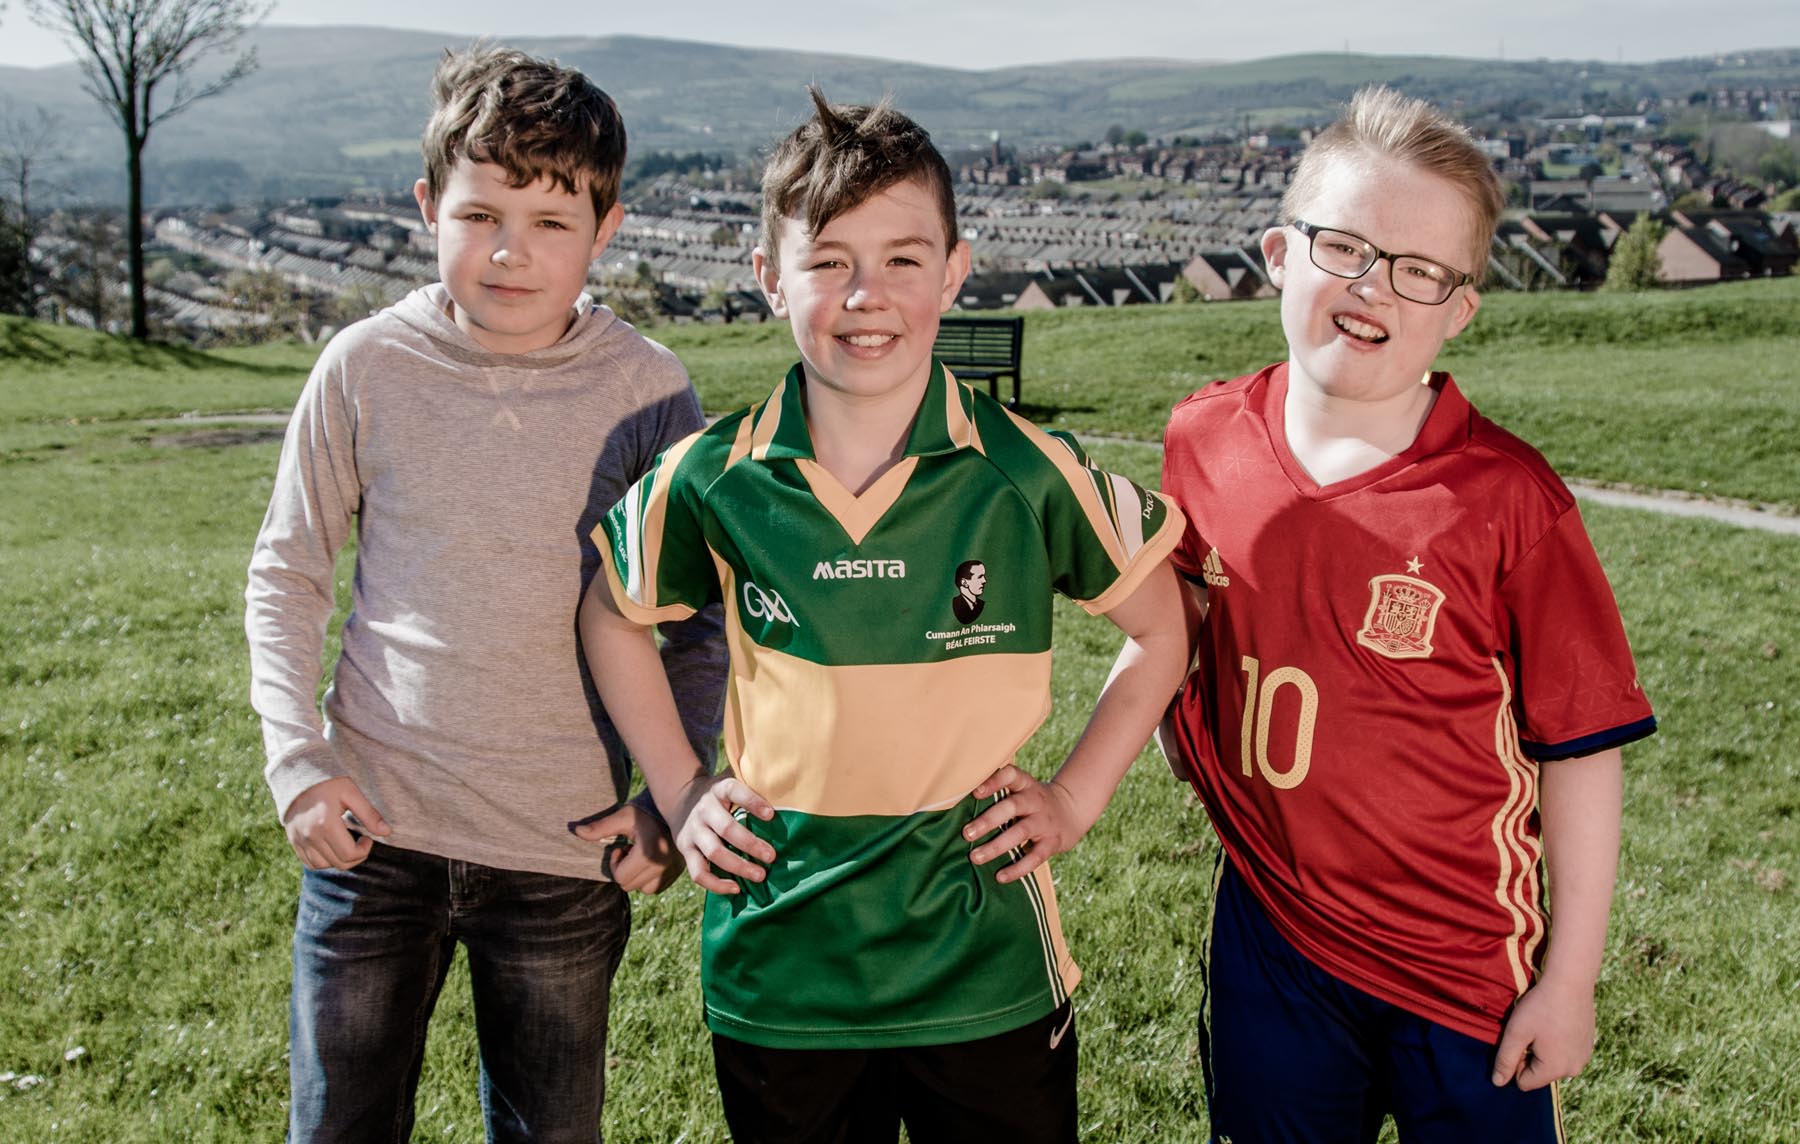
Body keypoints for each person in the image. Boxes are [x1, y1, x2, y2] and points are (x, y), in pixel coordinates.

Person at [577, 88, 1189, 1143]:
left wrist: (1078, 798)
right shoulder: (714, 475)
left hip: (984, 963)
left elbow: (1164, 628)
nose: (868, 294)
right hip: (782, 965)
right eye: (828, 261)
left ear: (955, 269)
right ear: (770, 277)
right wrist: (680, 792)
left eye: (904, 258)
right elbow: (610, 613)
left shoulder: (1028, 475)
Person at [1158, 85, 1657, 1143]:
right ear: (1280, 253)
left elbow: (1581, 753)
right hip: (1273, 927)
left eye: (1421, 269)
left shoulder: (1511, 502)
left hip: (1462, 959)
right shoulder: (1204, 437)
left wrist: (1569, 980)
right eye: (1344, 246)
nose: (1374, 286)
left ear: (1461, 305)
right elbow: (1184, 612)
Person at [244, 46, 724, 1143]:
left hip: (566, 849)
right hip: (371, 837)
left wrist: (671, 792)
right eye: (479, 215)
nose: (511, 251)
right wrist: (297, 759)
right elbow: (287, 574)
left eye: (553, 222)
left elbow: (698, 618)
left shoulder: (649, 392)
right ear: (427, 209)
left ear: (606, 230)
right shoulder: (364, 366)